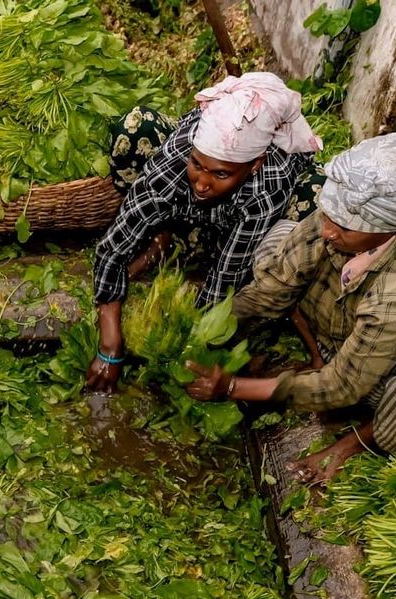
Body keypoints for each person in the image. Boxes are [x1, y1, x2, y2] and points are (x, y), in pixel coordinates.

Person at [184, 133, 396, 483]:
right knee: (282, 238)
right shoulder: (338, 222)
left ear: (388, 228)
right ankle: (317, 357)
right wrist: (196, 331)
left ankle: (357, 441)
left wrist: (234, 387)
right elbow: (271, 290)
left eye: (342, 227)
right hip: (350, 335)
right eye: (328, 215)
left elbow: (346, 383)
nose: (327, 230)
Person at [87, 72, 323, 392]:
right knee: (135, 128)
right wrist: (111, 342)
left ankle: (192, 243)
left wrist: (187, 345)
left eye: (221, 173)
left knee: (315, 204)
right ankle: (165, 234)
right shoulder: (177, 159)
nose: (202, 182)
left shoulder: (268, 183)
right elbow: (112, 248)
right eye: (197, 165)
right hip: (197, 209)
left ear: (253, 165)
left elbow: (225, 277)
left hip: (245, 220)